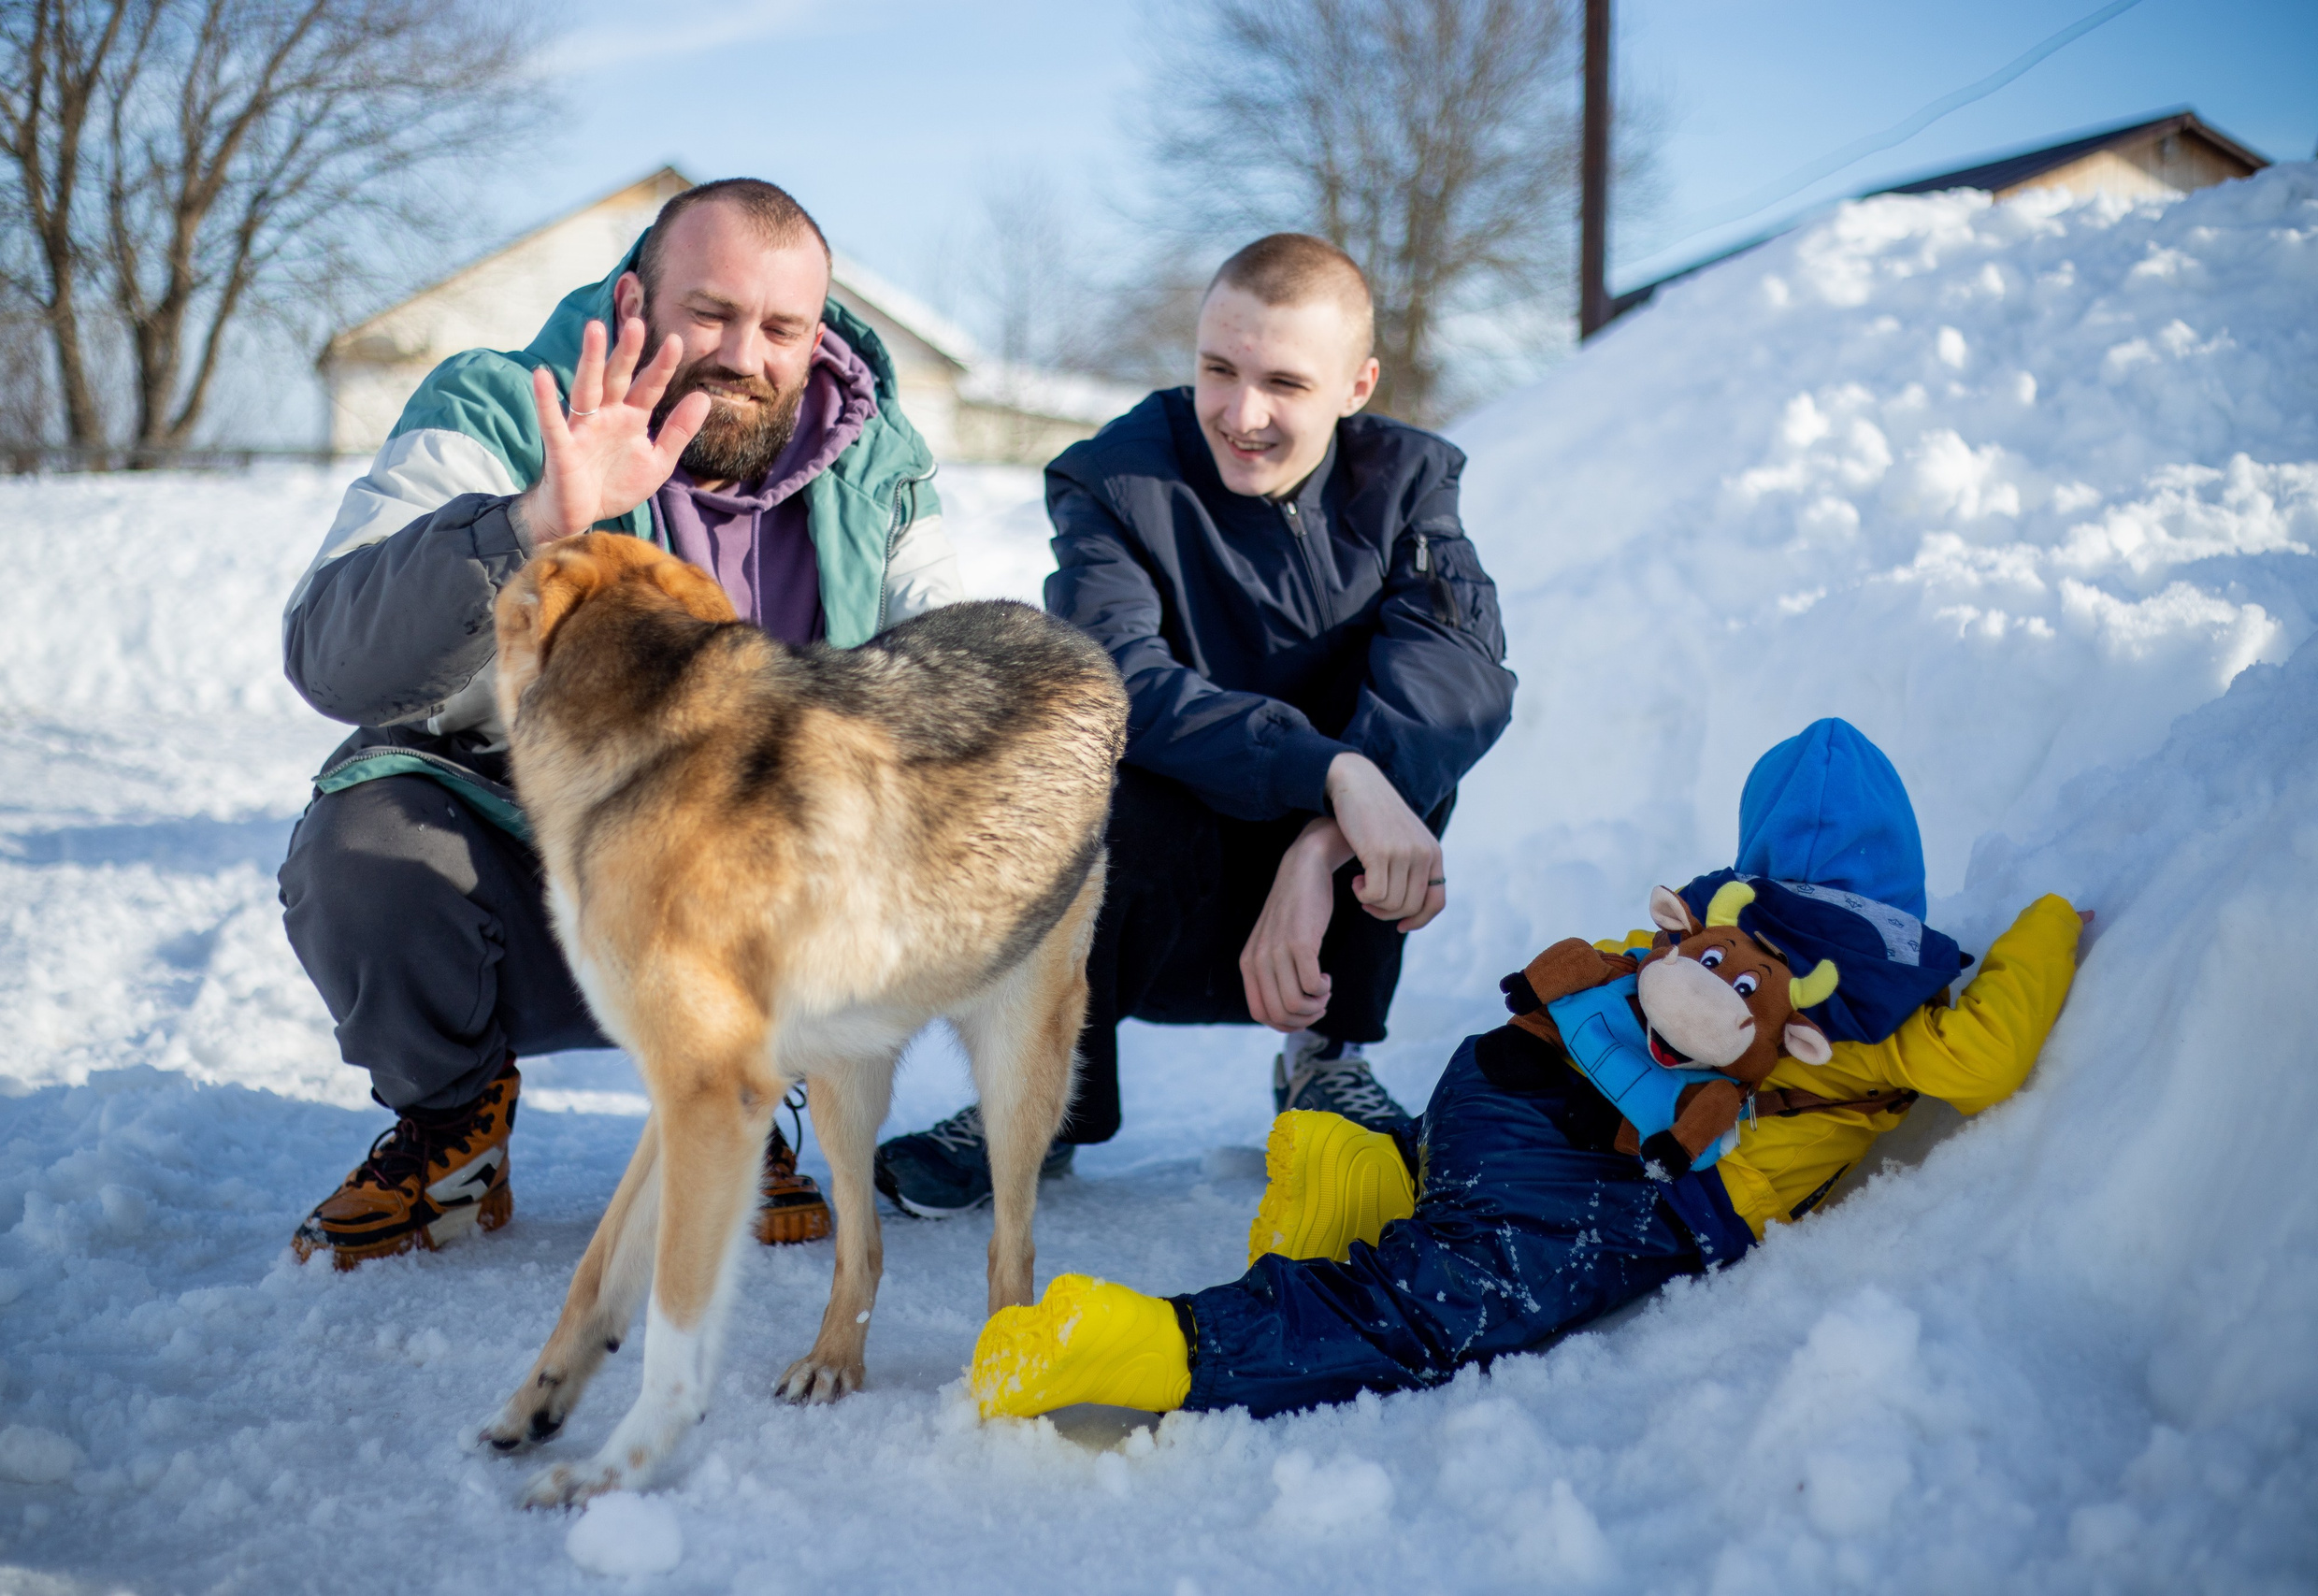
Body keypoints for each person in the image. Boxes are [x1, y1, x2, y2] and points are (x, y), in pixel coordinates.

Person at [965, 729, 2087, 1419]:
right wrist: (2044, 918)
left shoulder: (1707, 927)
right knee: (1436, 1306)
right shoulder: (1871, 1004)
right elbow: (1989, 1052)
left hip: (1499, 1081)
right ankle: (1155, 1346)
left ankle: (1375, 1173)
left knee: (1462, 1210)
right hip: (1627, 1174)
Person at [278, 179, 959, 1268]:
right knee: (368, 841)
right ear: (638, 295)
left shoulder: (873, 459)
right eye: (712, 313)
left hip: (752, 882)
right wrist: (530, 521)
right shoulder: (509, 408)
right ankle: (453, 1120)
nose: (748, 354)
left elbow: (950, 644)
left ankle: (743, 1091)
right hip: (534, 852)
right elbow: (333, 651)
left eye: (783, 326)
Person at [872, 234, 1516, 1217]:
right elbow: (1118, 676)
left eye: (1285, 384)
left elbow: (1461, 669)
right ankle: (1050, 1090)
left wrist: (1326, 834)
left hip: (1319, 871)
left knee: (1416, 754)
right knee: (1077, 764)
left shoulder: (1407, 486)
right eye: (1219, 369)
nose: (1242, 414)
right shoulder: (1117, 479)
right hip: (1165, 844)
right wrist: (1331, 776)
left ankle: (1323, 1054)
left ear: (1356, 385)